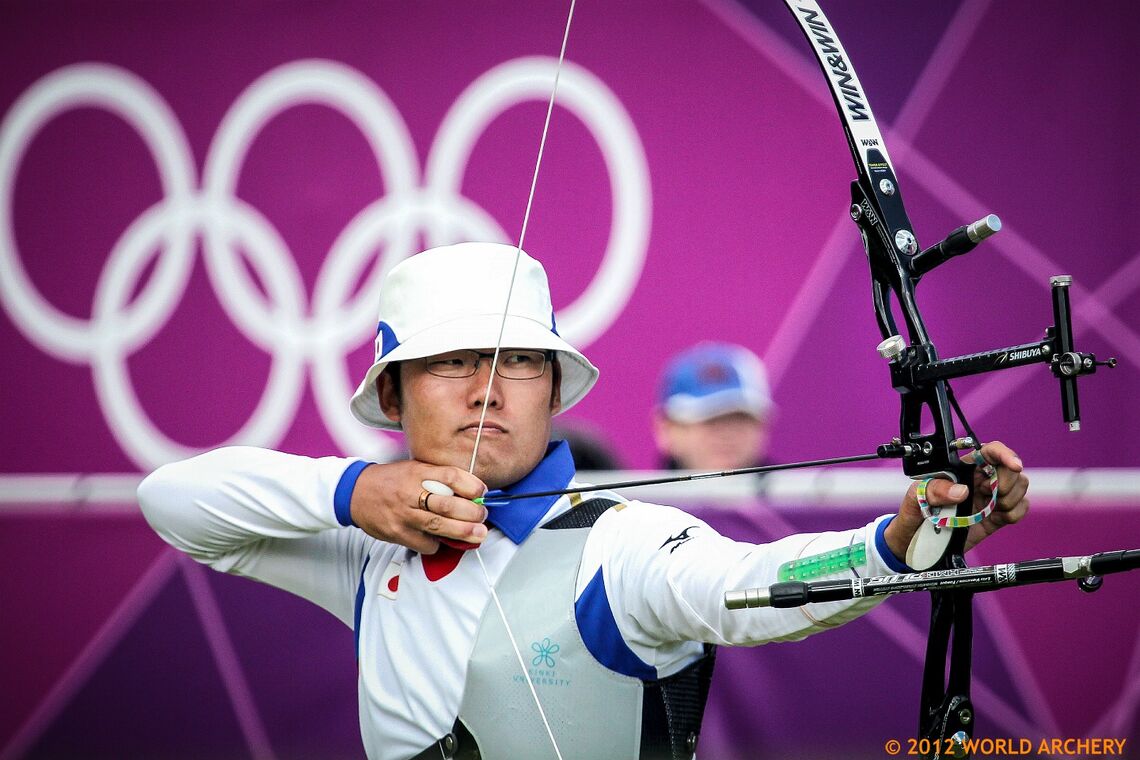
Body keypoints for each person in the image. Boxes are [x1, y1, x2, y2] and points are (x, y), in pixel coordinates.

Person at [138, 241, 1029, 760]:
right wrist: (353, 489)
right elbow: (173, 501)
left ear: (555, 390)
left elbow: (755, 587)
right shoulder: (367, 549)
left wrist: (902, 539)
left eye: (520, 362)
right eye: (451, 363)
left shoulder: (625, 544)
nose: (488, 390)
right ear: (394, 397)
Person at [654, 342, 774, 471]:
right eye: (710, 419)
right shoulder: (640, 484)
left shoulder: (791, 483)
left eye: (740, 418)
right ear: (666, 429)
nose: (727, 434)